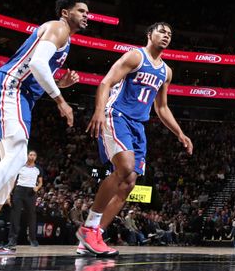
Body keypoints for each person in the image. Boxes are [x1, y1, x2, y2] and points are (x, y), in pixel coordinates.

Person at [76, 22, 193, 256]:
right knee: (125, 167)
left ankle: (92, 236)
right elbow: (105, 82)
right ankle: (88, 228)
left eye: (170, 34)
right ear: (149, 34)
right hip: (117, 115)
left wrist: (180, 133)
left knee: (129, 184)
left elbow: (161, 108)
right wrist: (98, 110)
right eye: (162, 31)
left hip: (138, 125)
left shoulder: (166, 71)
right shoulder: (134, 57)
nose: (166, 36)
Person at [0, 0, 85, 254]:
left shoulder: (63, 39)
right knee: (20, 155)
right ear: (65, 12)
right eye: (81, 10)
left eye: (88, 12)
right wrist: (61, 100)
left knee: (8, 174)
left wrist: (60, 82)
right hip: (11, 88)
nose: (86, 15)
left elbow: (39, 72)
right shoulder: (58, 28)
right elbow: (37, 64)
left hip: (20, 93)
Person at [5, 150, 42, 250]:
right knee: (15, 215)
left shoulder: (38, 169)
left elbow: (40, 182)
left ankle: (32, 239)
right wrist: (9, 194)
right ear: (27, 156)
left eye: (34, 155)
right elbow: (13, 181)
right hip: (19, 190)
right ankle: (12, 240)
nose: (32, 156)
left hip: (31, 192)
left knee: (31, 216)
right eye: (30, 154)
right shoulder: (20, 167)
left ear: (36, 157)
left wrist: (37, 187)